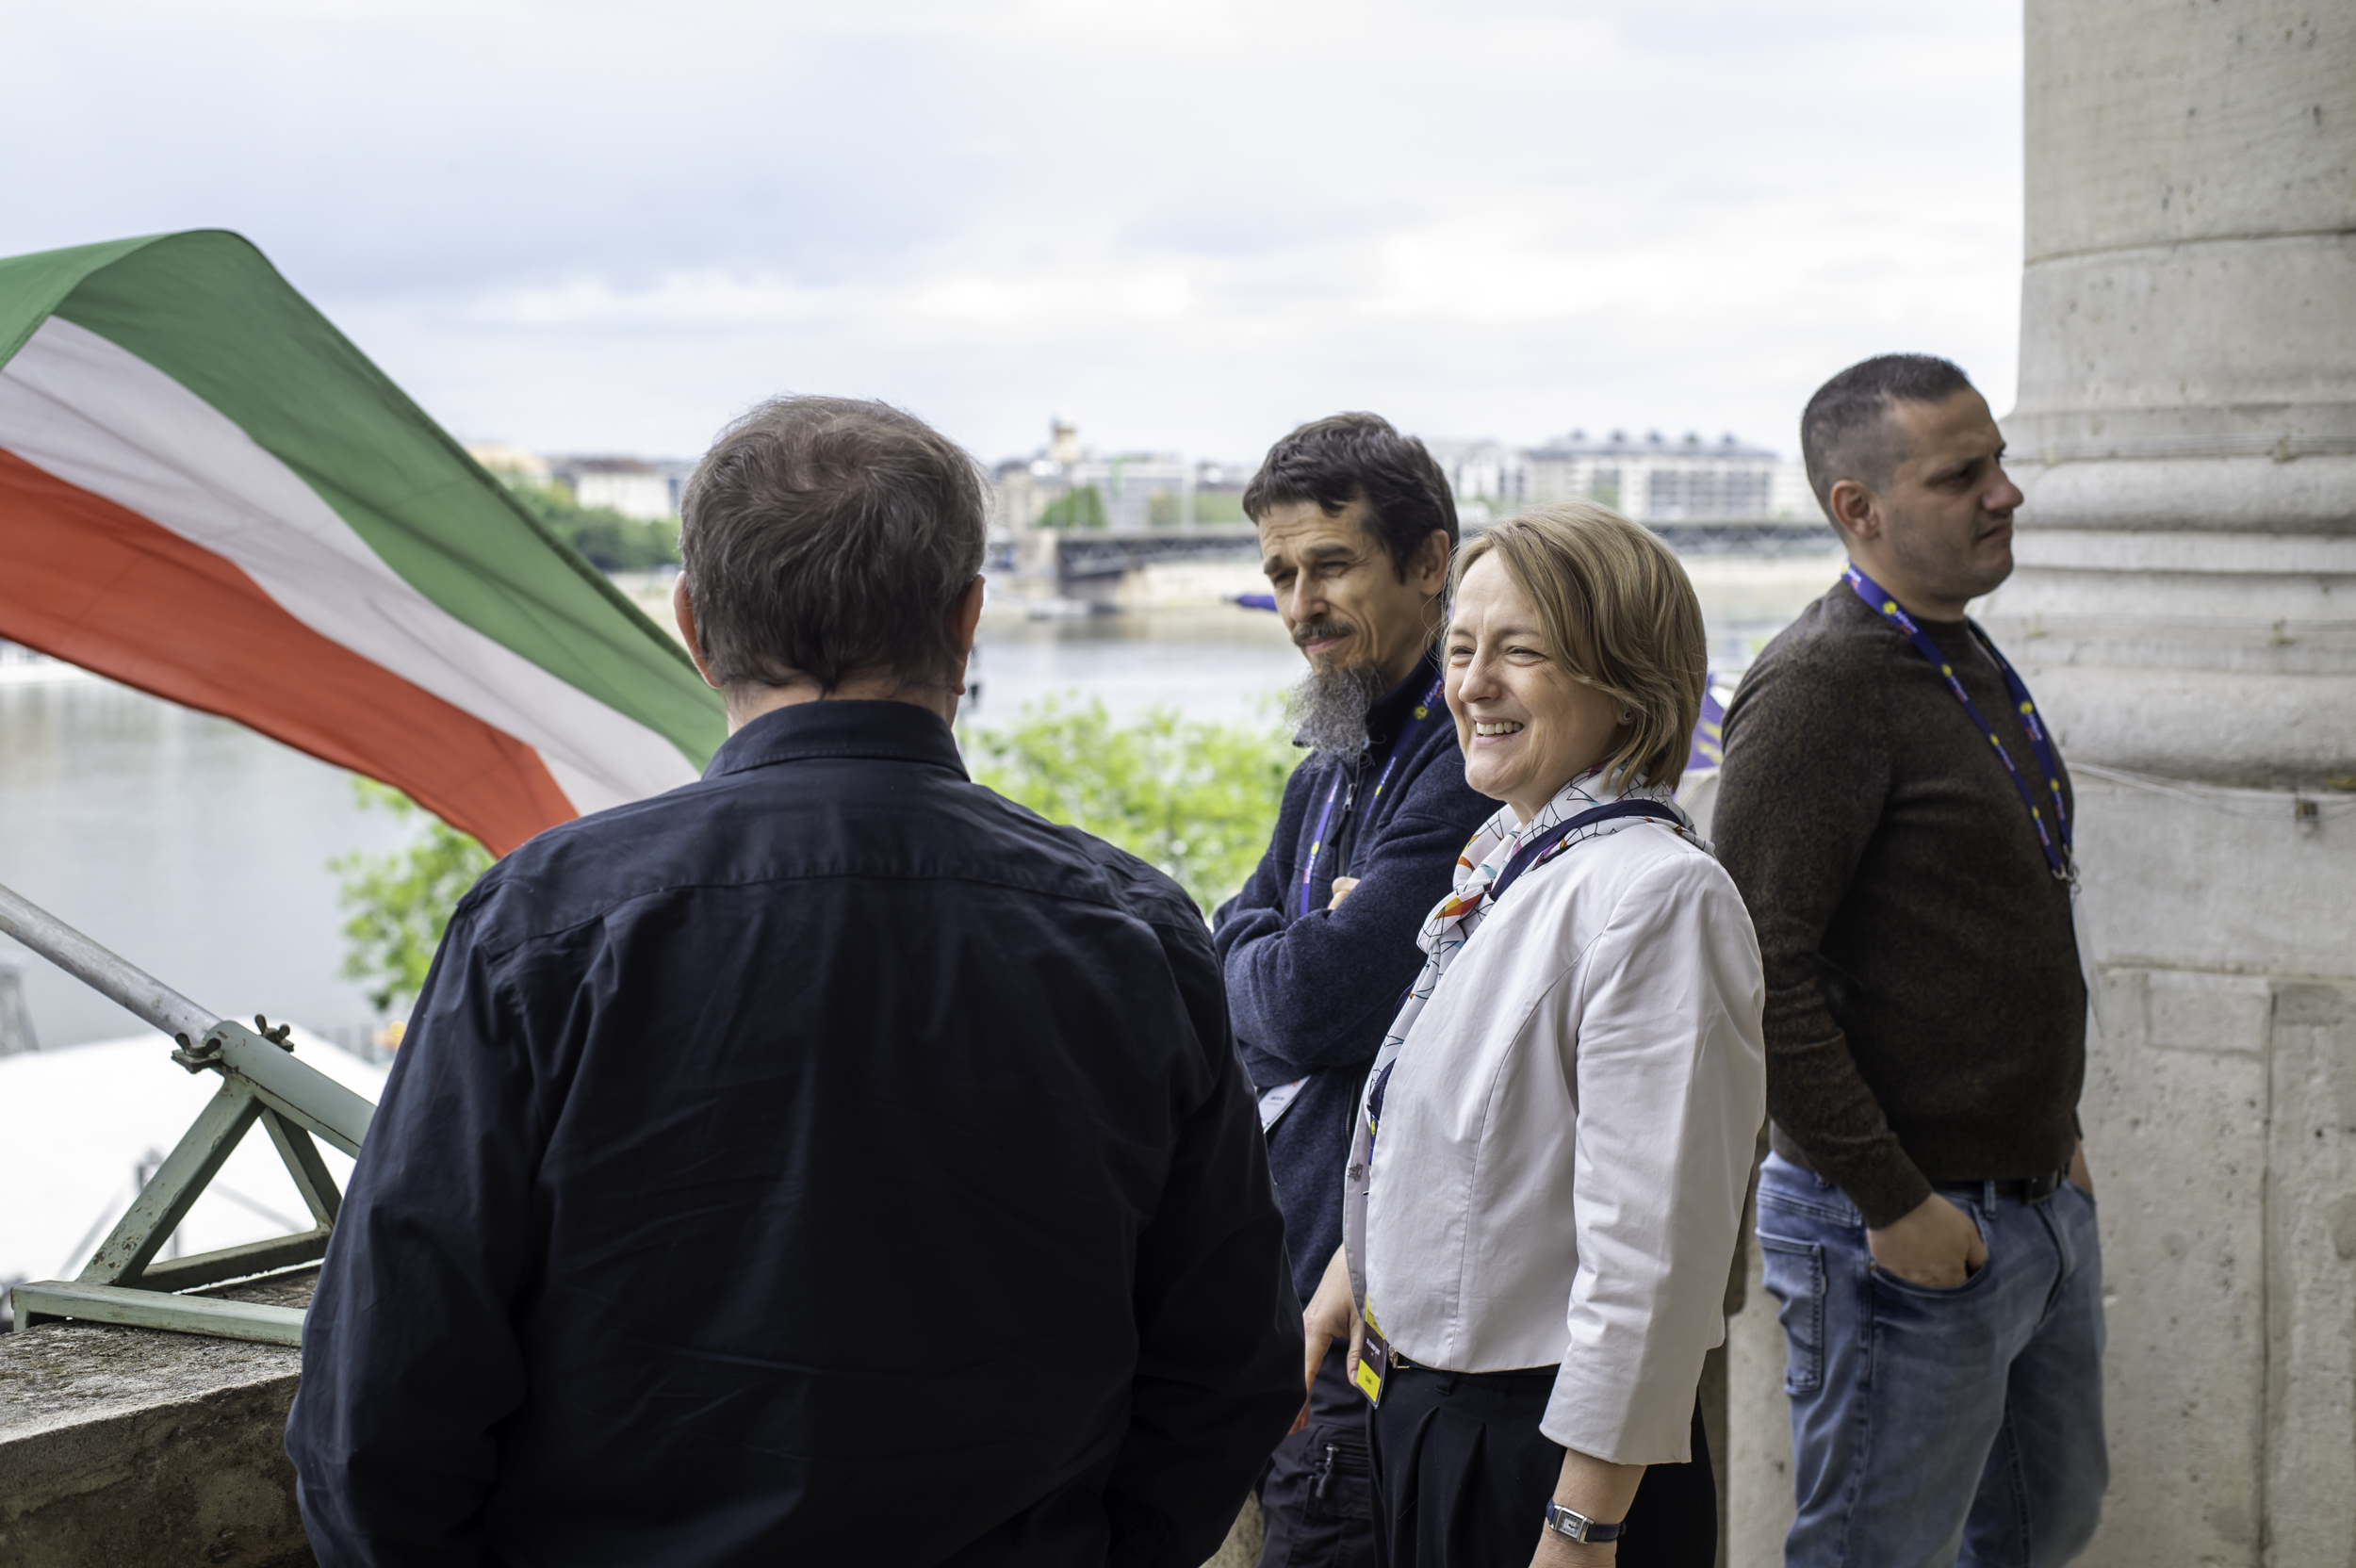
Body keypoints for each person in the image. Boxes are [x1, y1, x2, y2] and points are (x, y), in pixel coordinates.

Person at [286, 396, 1304, 1567]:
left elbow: (380, 1407)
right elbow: (1229, 1362)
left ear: (691, 624)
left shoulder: (542, 928)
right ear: (967, 620)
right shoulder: (1133, 933)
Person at [1301, 504, 1767, 1568]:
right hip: (1438, 1421)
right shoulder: (1517, 858)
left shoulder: (1659, 896)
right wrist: (1355, 1269)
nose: (1470, 685)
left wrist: (1582, 1528)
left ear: (1629, 680)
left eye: (1520, 651)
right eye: (1462, 648)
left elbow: (1652, 1258)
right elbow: (1475, 1138)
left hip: (1548, 1462)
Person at [1713, 354, 2106, 1567]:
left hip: (2027, 1198)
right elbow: (1755, 970)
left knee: (2046, 1523)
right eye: (1960, 474)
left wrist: (2053, 1139)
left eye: (1998, 460)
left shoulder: (1954, 650)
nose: (2005, 492)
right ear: (1858, 507)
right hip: (1894, 1226)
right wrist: (1893, 1199)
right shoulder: (1820, 683)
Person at [1212, 414, 1497, 1568]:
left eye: (1330, 565)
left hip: (1381, 1324)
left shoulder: (1468, 760)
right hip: (1291, 1290)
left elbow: (1312, 1001)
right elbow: (1236, 957)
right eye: (1281, 574)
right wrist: (1280, 944)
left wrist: (1280, 950)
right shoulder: (1326, 764)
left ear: (1430, 562)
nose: (1301, 605)